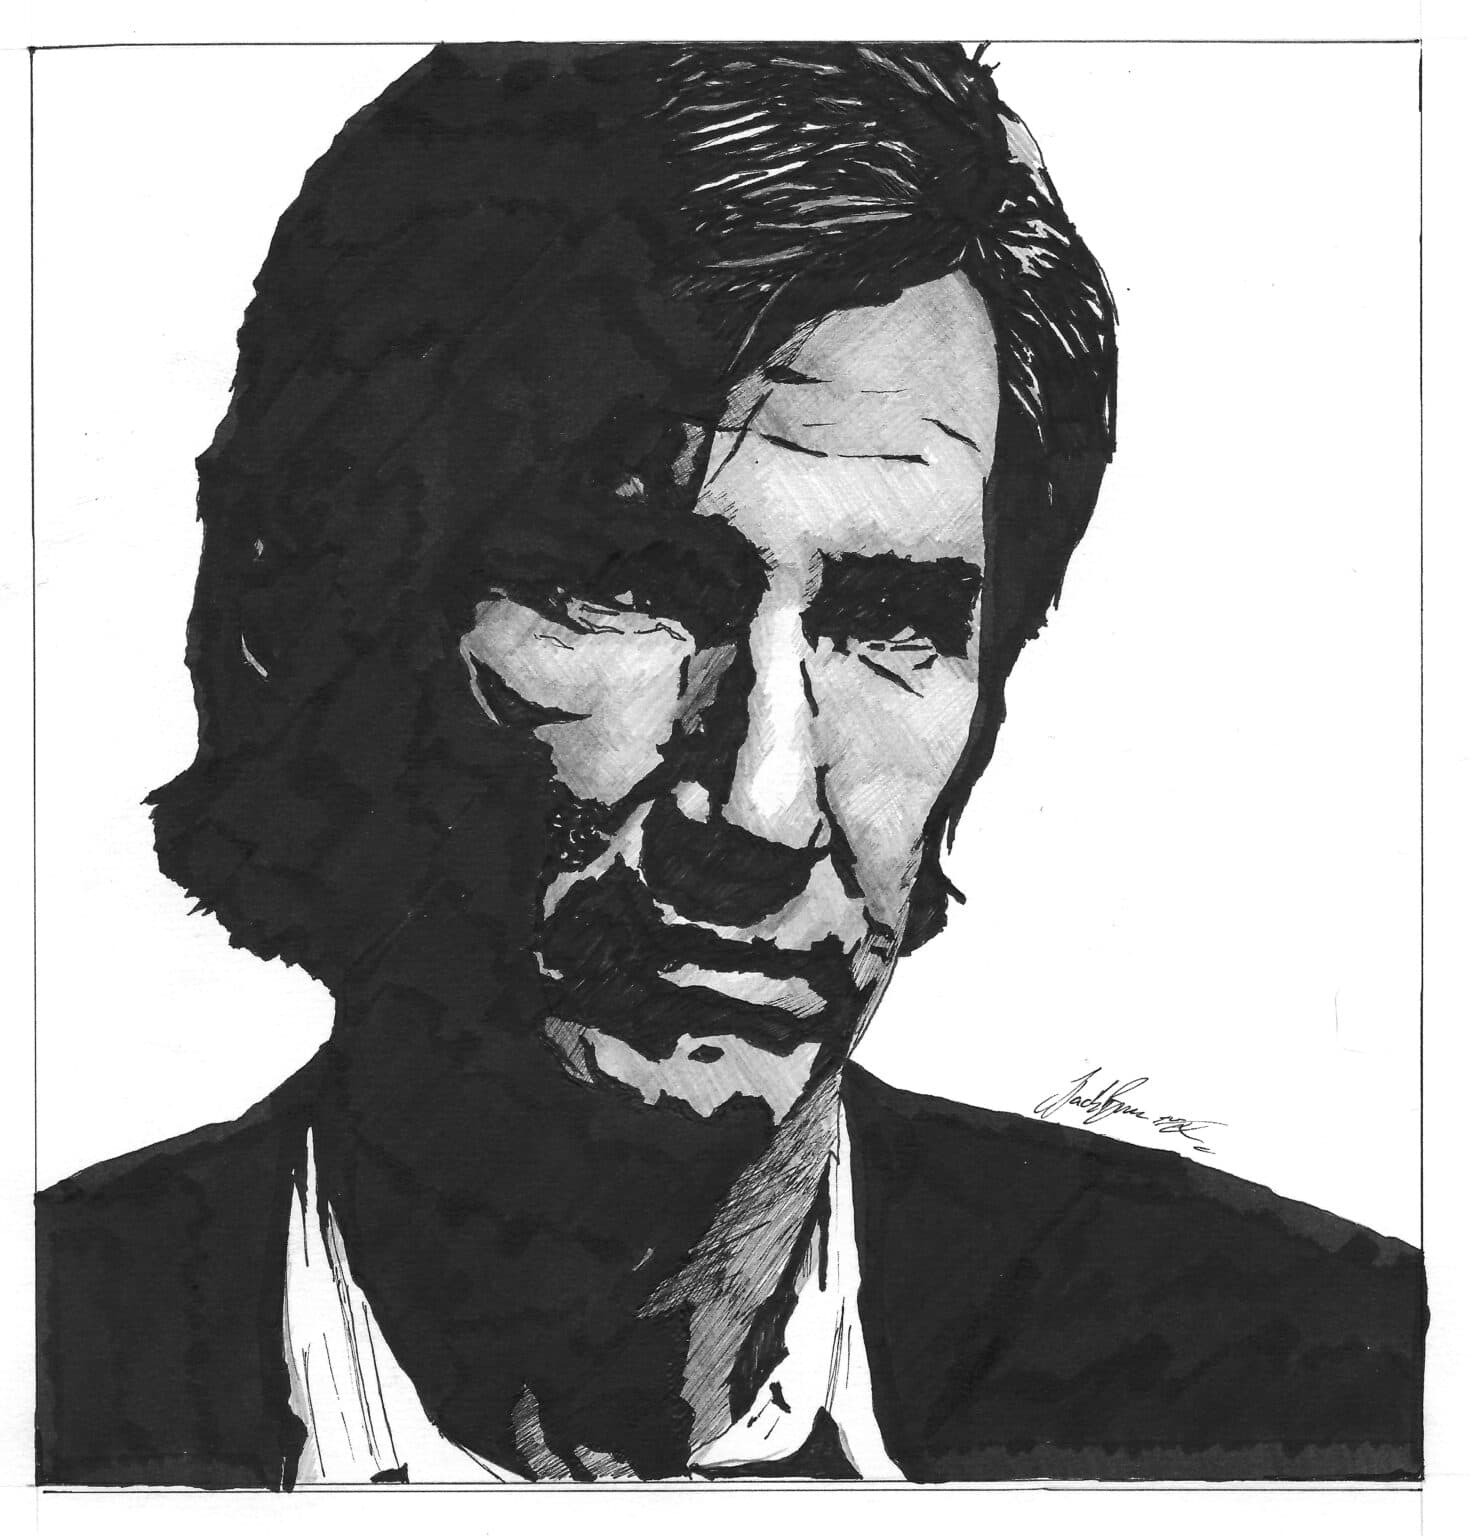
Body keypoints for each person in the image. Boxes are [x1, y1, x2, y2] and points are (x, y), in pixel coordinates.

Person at [36, 42, 1423, 1487]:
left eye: (891, 625)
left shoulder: (1341, 1389)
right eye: (630, 585)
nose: (763, 802)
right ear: (308, 617)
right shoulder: (50, 1378)